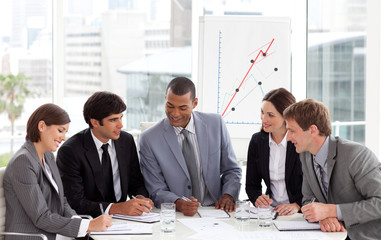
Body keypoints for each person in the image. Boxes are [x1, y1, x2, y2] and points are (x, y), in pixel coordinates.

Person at [3, 103, 112, 240]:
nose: (63, 138)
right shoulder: (23, 162)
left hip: (52, 234)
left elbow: (62, 201)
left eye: (65, 132)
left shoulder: (48, 156)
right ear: (41, 126)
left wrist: (82, 224)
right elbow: (41, 217)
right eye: (60, 131)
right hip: (34, 236)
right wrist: (88, 225)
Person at [139, 76, 242, 216]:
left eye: (183, 108)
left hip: (216, 210)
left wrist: (228, 195)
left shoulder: (215, 124)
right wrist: (178, 203)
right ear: (165, 99)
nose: (175, 114)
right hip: (177, 213)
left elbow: (232, 169)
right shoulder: (149, 139)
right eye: (170, 106)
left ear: (195, 103)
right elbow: (156, 189)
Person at [284, 98, 381, 239]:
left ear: (312, 130)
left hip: (366, 236)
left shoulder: (355, 154)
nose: (287, 137)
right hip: (331, 234)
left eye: (292, 131)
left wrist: (332, 211)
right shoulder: (305, 155)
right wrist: (322, 217)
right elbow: (308, 200)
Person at [57, 91, 153, 218]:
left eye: (121, 117)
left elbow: (135, 182)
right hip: (91, 220)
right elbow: (75, 202)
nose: (120, 125)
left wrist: (140, 198)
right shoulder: (70, 151)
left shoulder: (126, 141)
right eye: (113, 120)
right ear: (95, 123)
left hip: (127, 219)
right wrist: (117, 208)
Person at [246, 88, 302, 216]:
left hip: (298, 213)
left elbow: (313, 186)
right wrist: (257, 198)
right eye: (262, 112)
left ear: (286, 116)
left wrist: (297, 205)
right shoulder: (257, 141)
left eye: (270, 115)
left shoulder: (299, 142)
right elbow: (251, 185)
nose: (264, 119)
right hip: (271, 212)